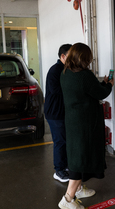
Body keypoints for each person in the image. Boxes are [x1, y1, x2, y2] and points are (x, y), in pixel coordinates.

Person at [58, 43, 114, 209]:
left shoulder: (65, 73)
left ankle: (79, 189)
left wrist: (100, 84)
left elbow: (88, 91)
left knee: (77, 156)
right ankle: (67, 200)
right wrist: (109, 84)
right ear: (84, 58)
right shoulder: (84, 75)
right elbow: (100, 93)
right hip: (85, 124)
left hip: (73, 122)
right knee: (80, 159)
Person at [44, 44, 72, 183]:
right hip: (55, 113)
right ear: (63, 56)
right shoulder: (55, 71)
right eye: (71, 56)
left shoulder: (67, 69)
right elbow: (57, 91)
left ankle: (65, 166)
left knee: (65, 141)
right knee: (60, 142)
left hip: (63, 113)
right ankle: (59, 170)